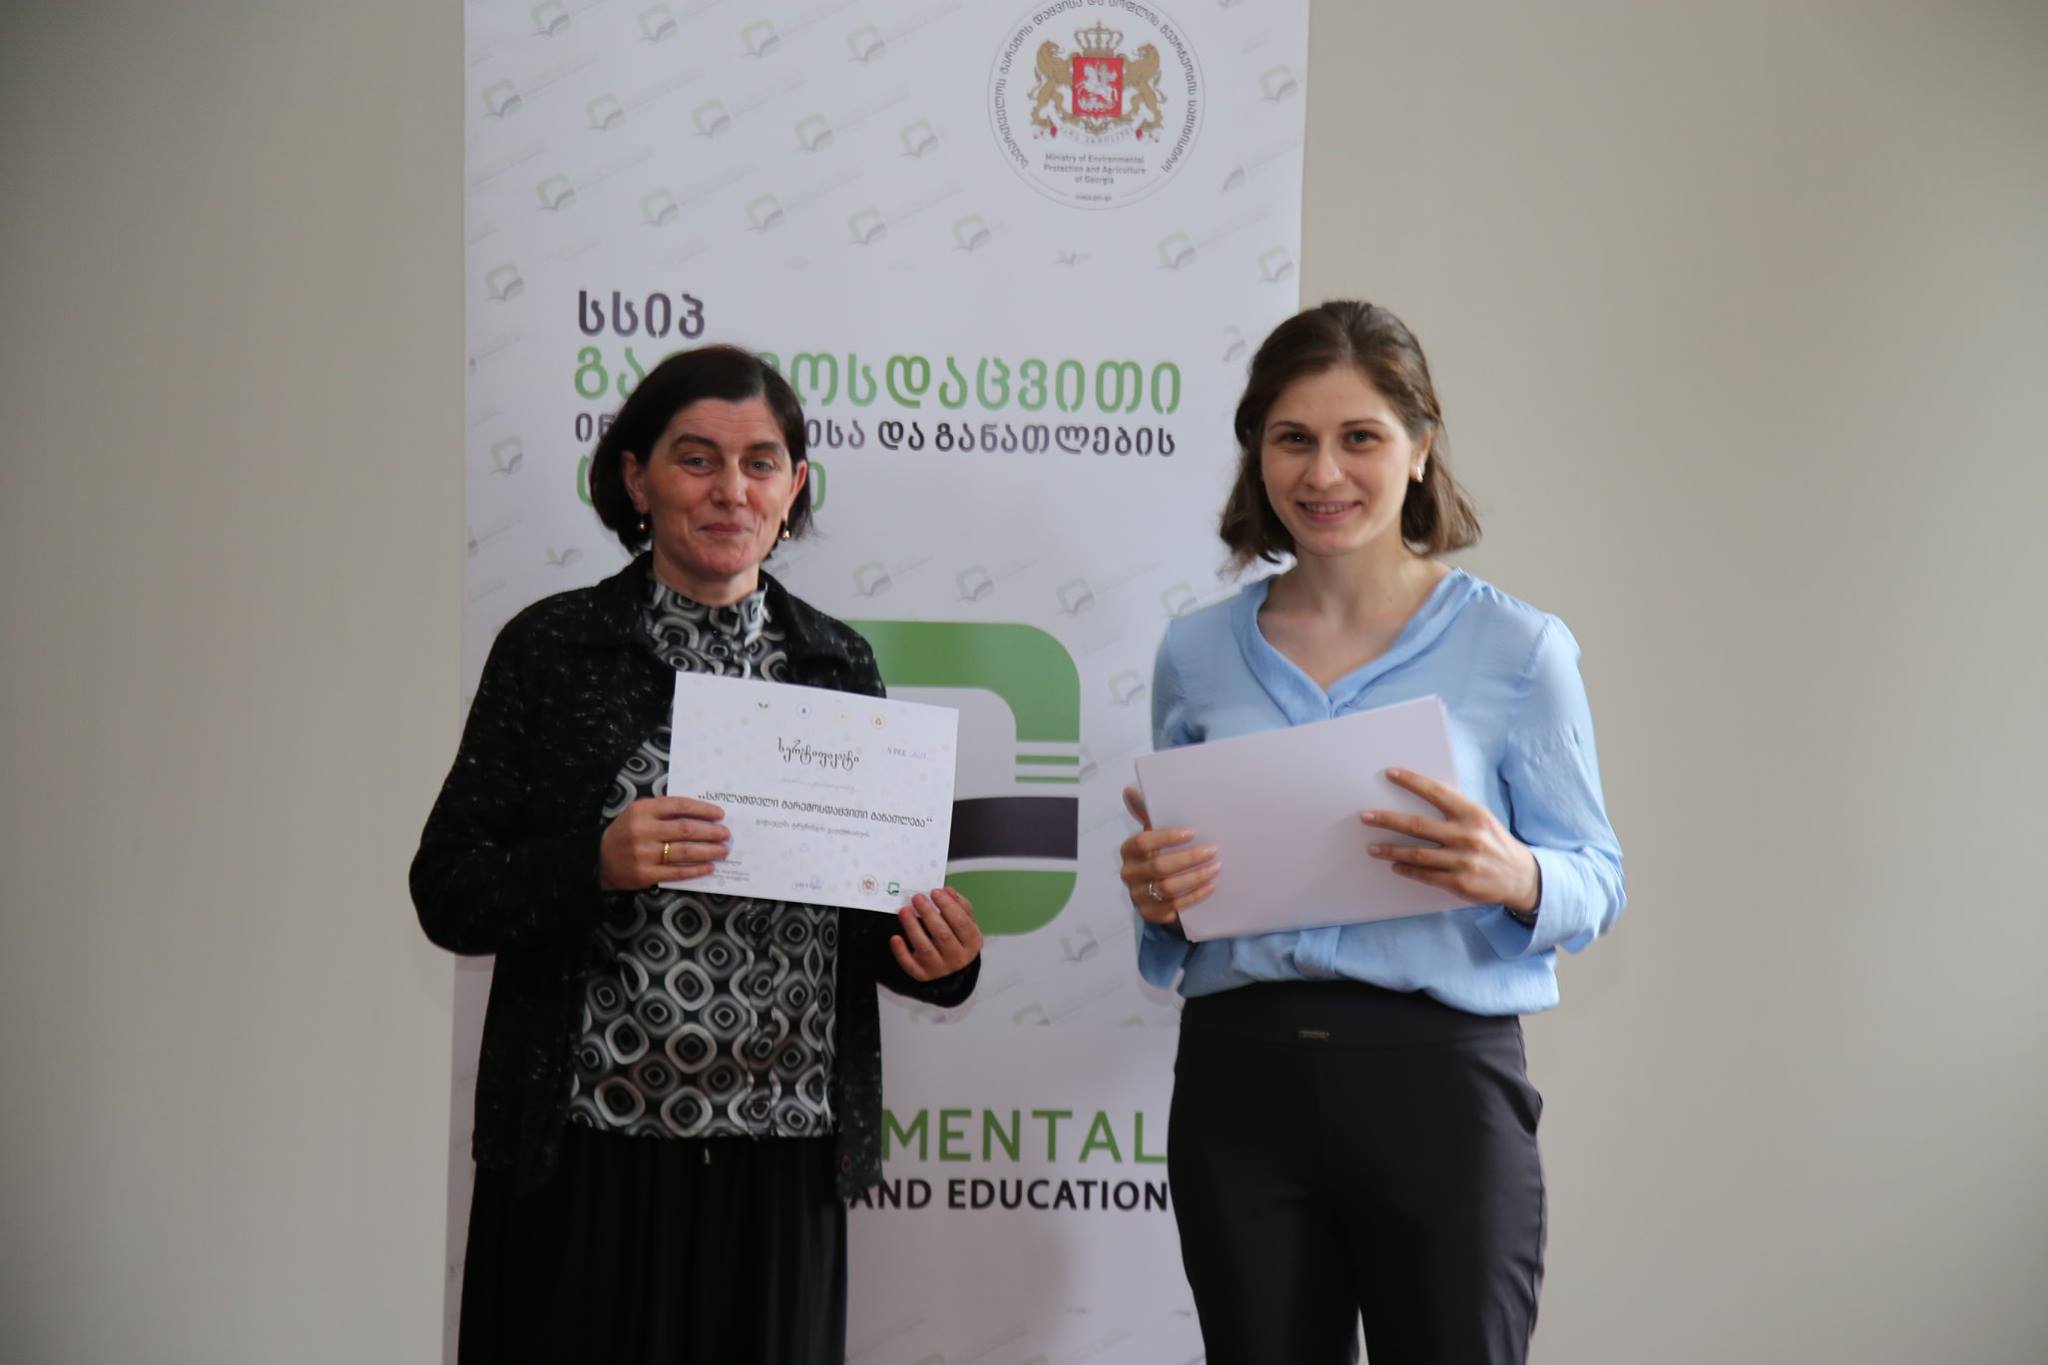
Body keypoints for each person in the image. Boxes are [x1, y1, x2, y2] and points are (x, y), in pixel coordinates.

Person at [412, 344, 982, 1365]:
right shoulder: (553, 650)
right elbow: (448, 890)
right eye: (696, 459)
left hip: (782, 1157)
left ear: (793, 488)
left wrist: (940, 959)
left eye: (761, 463)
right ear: (636, 479)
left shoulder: (834, 663)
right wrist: (592, 862)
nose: (731, 490)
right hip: (584, 1153)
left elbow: (867, 919)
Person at [1118, 301, 1624, 1364]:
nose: (1323, 473)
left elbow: (1597, 879)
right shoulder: (1194, 653)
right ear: (1256, 453)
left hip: (1438, 1087)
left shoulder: (1519, 648)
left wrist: (1516, 873)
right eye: (1291, 439)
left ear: (1420, 447)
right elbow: (1177, 910)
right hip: (1238, 1086)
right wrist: (1158, 901)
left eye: (1360, 437)